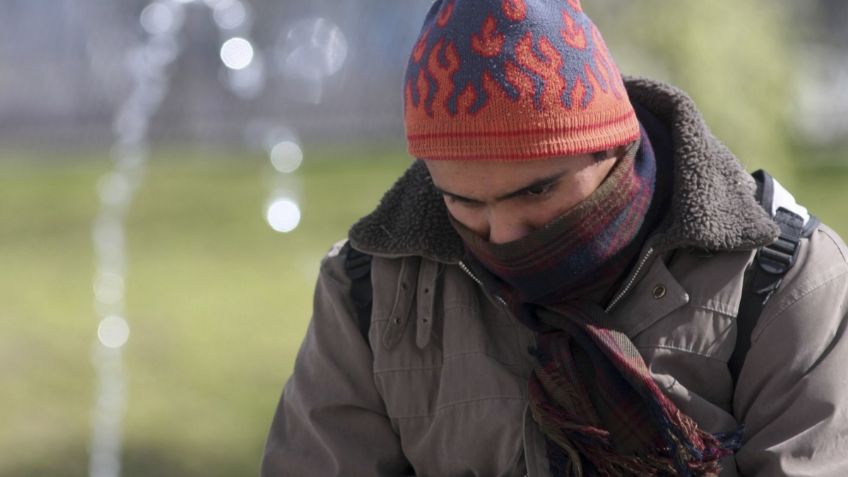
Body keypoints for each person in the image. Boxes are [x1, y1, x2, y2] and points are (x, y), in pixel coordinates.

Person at [261, 1, 848, 476]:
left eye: (537, 192)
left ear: (615, 148)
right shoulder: (366, 289)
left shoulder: (785, 279)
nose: (503, 235)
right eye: (464, 202)